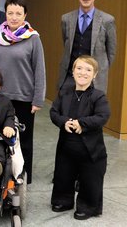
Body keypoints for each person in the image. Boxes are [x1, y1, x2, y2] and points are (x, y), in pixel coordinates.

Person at [0, 0, 46, 184]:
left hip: (24, 98)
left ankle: (23, 176)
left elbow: (39, 70)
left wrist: (38, 99)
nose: (14, 17)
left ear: (25, 15)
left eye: (18, 13)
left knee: (23, 140)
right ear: (6, 14)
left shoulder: (33, 38)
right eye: (11, 13)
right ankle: (1, 174)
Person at [50, 55, 110, 220]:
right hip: (67, 146)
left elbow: (103, 116)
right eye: (79, 68)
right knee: (63, 173)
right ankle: (63, 200)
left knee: (90, 178)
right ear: (73, 71)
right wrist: (64, 122)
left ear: (95, 75)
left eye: (88, 70)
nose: (83, 73)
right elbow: (54, 112)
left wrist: (81, 123)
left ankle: (88, 206)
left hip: (90, 148)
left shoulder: (98, 96)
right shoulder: (64, 92)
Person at [57, 0, 116, 93]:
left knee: (90, 111)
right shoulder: (66, 19)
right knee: (66, 110)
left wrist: (98, 72)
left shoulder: (107, 20)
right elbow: (66, 44)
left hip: (95, 82)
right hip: (69, 78)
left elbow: (111, 53)